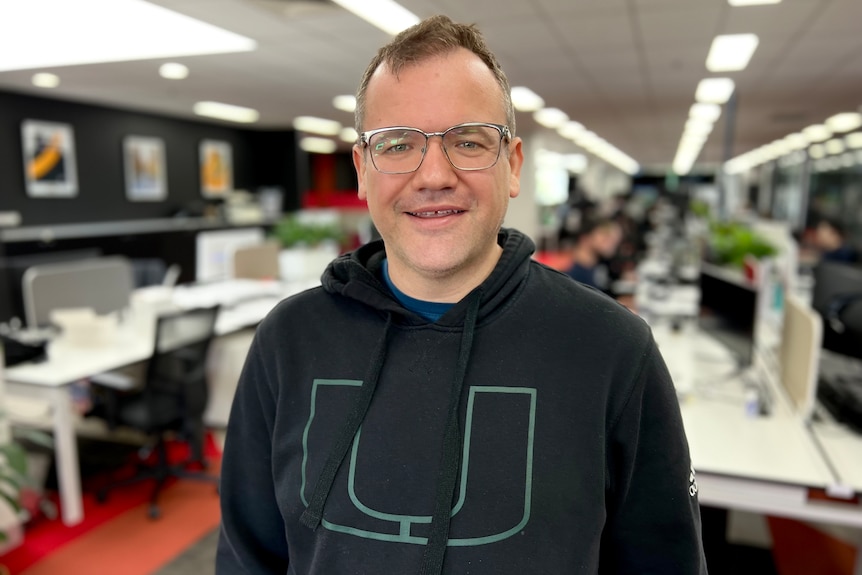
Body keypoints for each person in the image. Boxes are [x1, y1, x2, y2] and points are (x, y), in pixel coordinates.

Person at [217, 14, 707, 575]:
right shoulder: (289, 341)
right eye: (397, 144)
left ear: (513, 164)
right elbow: (245, 557)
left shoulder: (611, 349)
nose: (433, 175)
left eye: (467, 141)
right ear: (361, 169)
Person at [565, 216, 624, 293]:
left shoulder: (602, 266)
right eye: (605, 235)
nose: (612, 241)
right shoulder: (570, 272)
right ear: (585, 238)